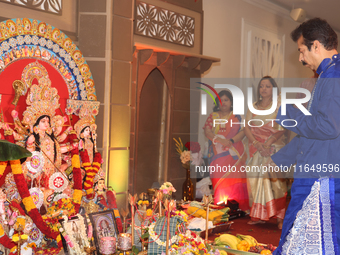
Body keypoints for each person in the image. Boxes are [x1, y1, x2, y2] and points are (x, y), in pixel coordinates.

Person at [271, 18, 340, 254]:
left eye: (302, 50)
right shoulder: (328, 75)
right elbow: (312, 133)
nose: (301, 58)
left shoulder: (333, 77)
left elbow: (327, 128)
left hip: (322, 179)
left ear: (316, 45)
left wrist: (286, 113)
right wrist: (280, 160)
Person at [244, 76, 288, 229]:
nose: (263, 89)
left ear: (273, 89)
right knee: (255, 180)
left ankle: (280, 217)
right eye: (261, 86)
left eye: (267, 86)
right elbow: (246, 127)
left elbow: (282, 127)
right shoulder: (253, 107)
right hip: (257, 149)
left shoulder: (279, 106)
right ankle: (259, 215)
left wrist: (268, 143)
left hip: (275, 147)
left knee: (277, 184)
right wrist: (257, 144)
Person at [204, 90, 249, 210]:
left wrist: (230, 141)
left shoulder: (238, 116)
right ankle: (221, 205)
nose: (223, 102)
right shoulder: (212, 116)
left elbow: (244, 131)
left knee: (235, 177)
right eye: (220, 100)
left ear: (231, 102)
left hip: (234, 151)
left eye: (226, 100)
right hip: (217, 152)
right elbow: (207, 131)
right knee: (219, 176)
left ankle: (236, 206)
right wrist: (219, 139)